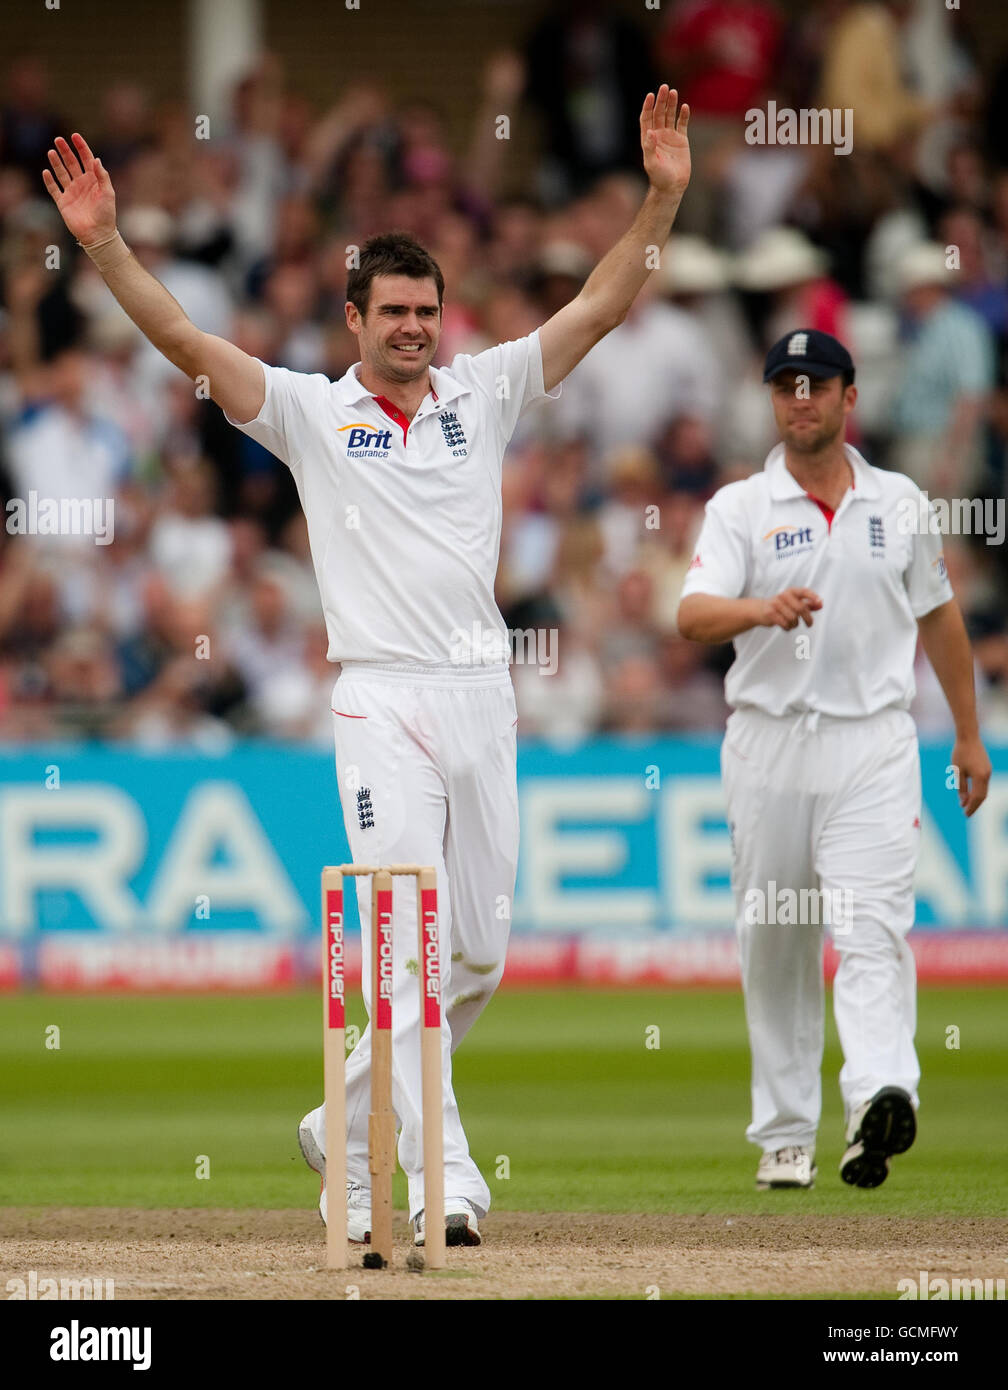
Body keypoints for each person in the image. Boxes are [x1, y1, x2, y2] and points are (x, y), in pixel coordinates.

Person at [42, 87, 692, 1245]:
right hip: (380, 696)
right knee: (410, 937)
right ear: (353, 318)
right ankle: (450, 1178)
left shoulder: (483, 393)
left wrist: (662, 196)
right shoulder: (304, 410)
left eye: (426, 311)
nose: (413, 329)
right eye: (393, 311)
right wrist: (102, 243)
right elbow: (187, 342)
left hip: (482, 695)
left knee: (480, 951)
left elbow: (597, 306)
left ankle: (342, 1122)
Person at [677, 328, 991, 1190]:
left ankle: (877, 1098)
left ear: (851, 396)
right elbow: (691, 616)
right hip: (770, 744)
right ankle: (783, 1133)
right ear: (773, 400)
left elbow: (940, 617)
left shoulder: (902, 503)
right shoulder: (741, 507)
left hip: (873, 745)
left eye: (816, 384)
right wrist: (758, 610)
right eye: (785, 386)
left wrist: (968, 734)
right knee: (776, 939)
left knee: (871, 927)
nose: (800, 398)